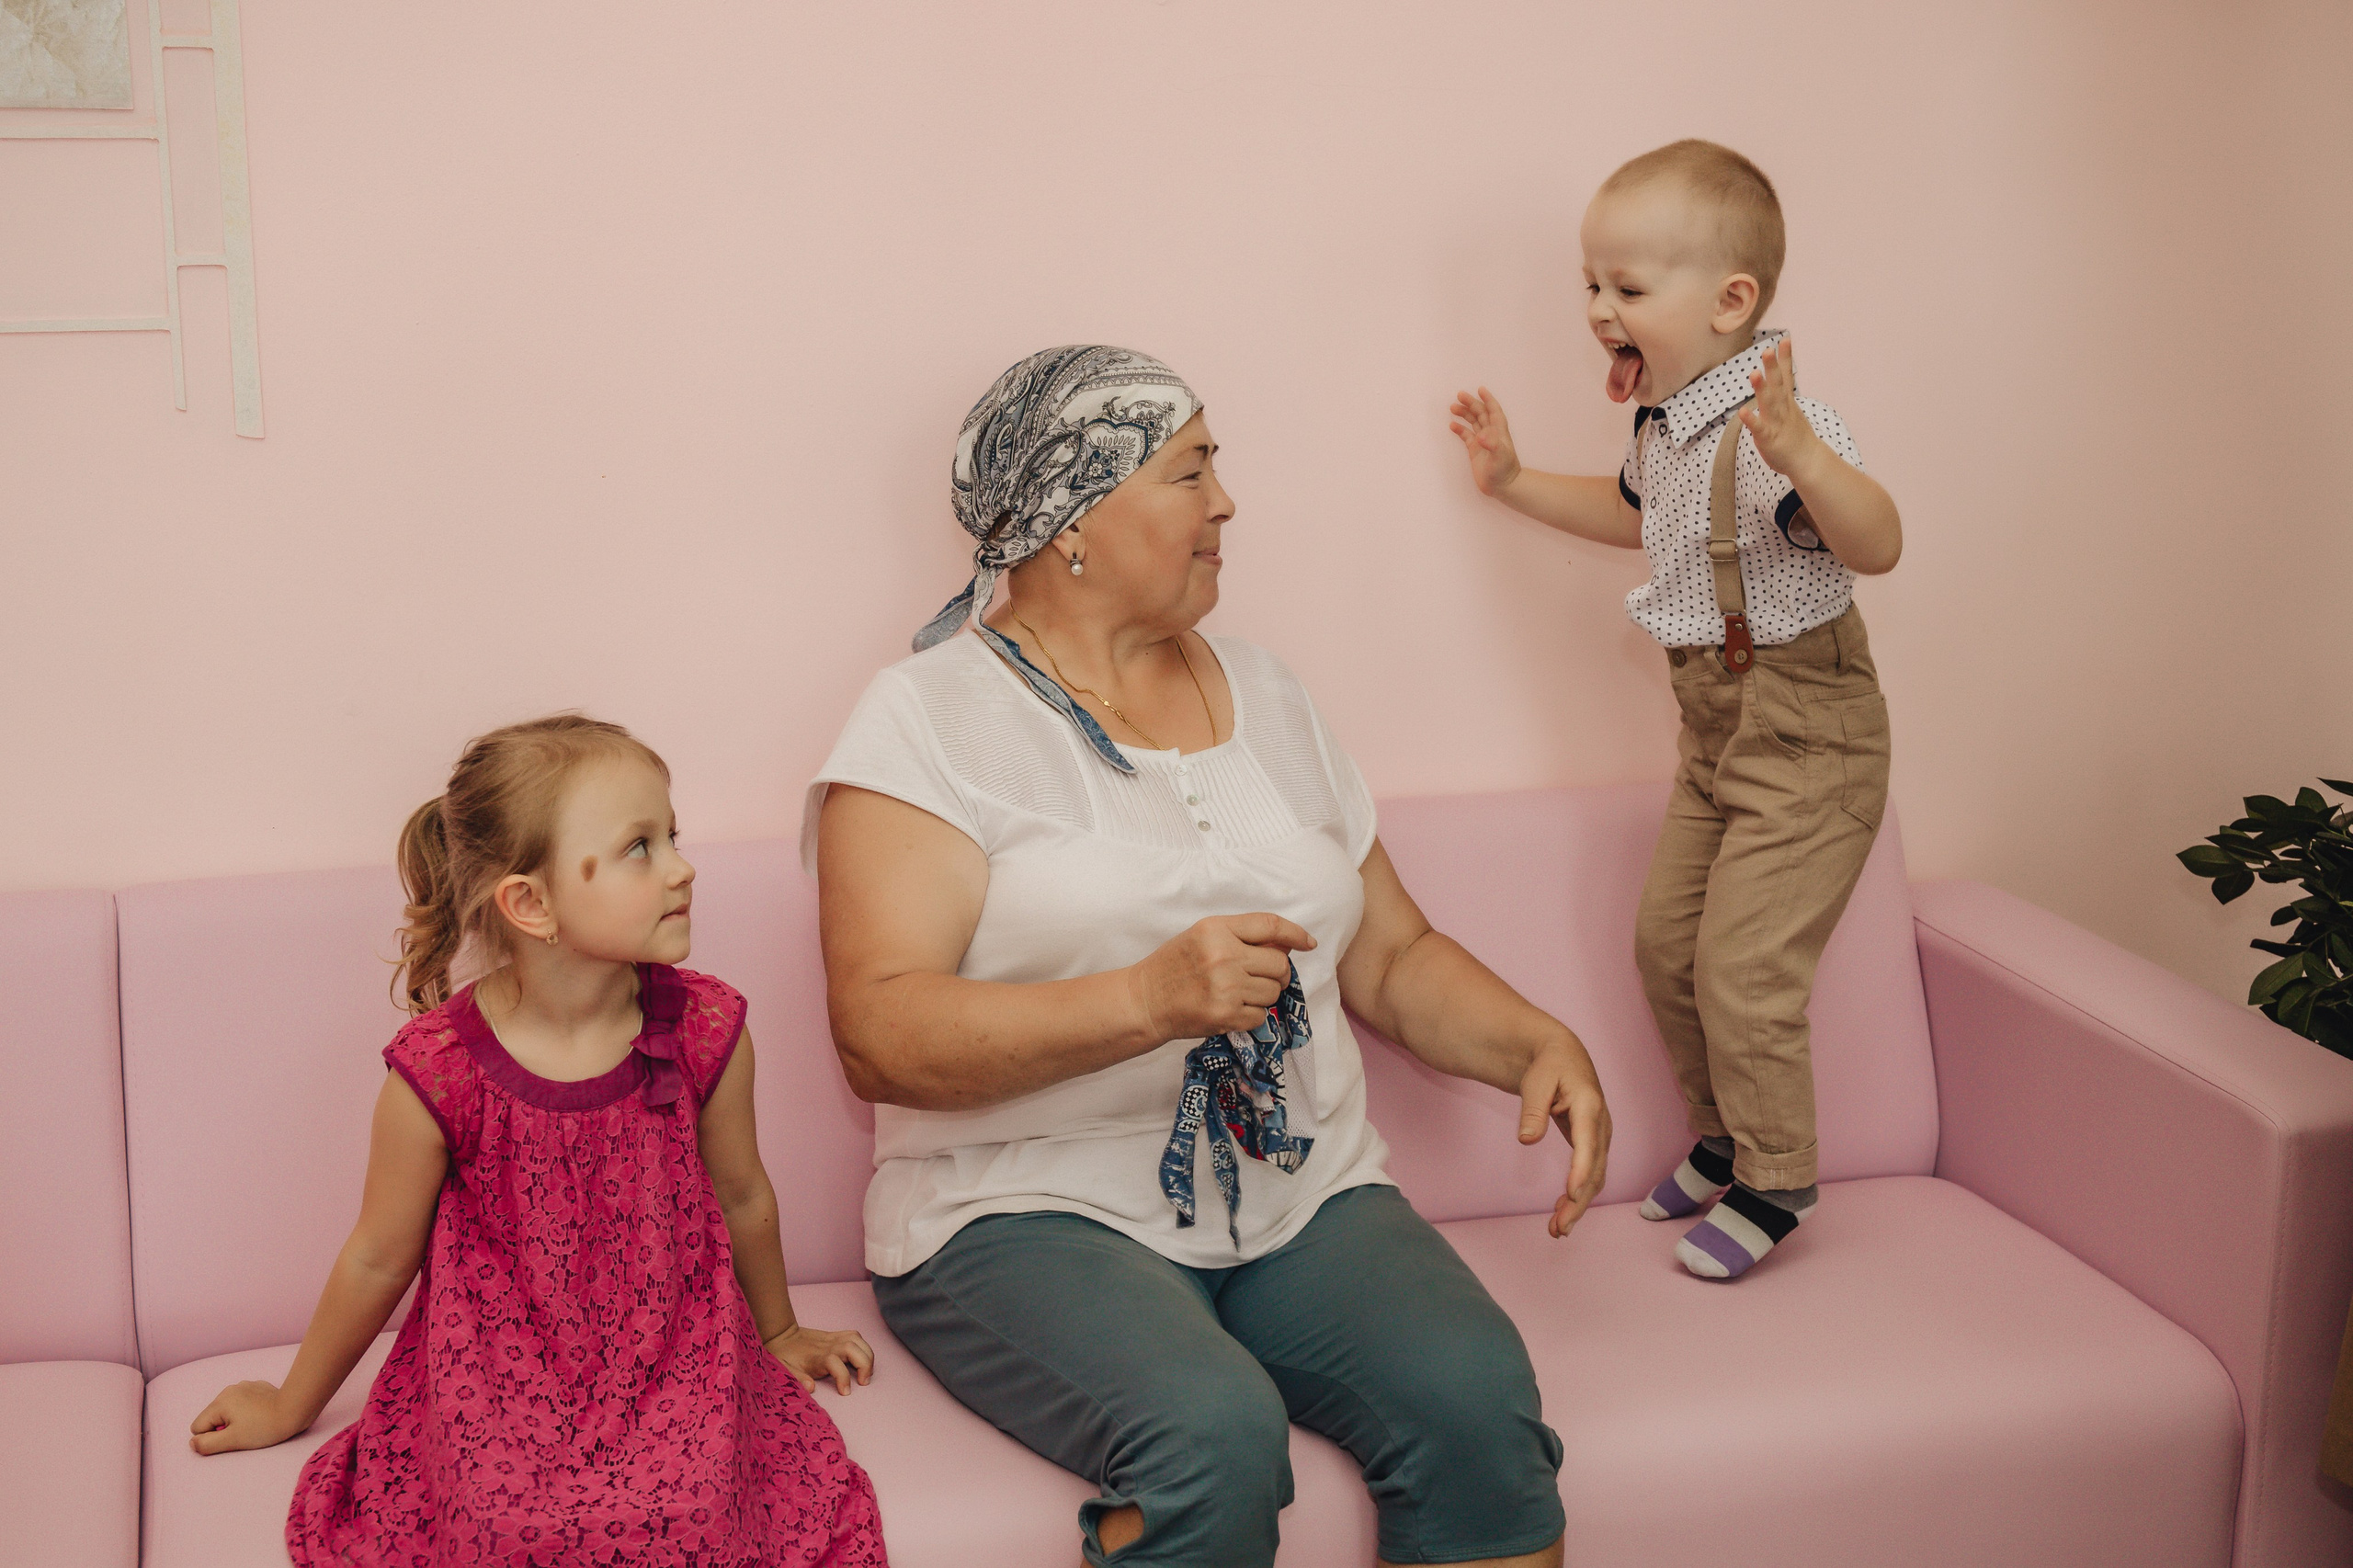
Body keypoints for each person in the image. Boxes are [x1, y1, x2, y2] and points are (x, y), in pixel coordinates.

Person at [810, 344, 1611, 1567]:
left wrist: (1535, 1043)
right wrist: (1146, 998)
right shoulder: (929, 724)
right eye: (1191, 472)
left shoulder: (1270, 694)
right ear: (1075, 517)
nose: (1227, 503)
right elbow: (880, 1029)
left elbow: (1388, 953)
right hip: (1021, 1208)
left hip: (1299, 1190)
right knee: (1212, 1434)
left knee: (1475, 1399)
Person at [188, 715, 888, 1566]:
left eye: (673, 834)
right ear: (530, 902)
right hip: (498, 1372)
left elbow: (742, 1194)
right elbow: (378, 1256)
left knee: (699, 1518)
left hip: (671, 1356)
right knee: (501, 1531)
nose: (682, 866)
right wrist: (293, 1403)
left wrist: (778, 1335)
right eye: (639, 847)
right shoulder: (439, 1073)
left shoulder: (708, 1031)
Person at [1449, 140, 1902, 1279]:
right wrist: (1509, 481)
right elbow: (1637, 513)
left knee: (1745, 969)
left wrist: (1804, 455)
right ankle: (1721, 1136)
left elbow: (1878, 541)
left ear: (1730, 300)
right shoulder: (1667, 420)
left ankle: (1779, 1174)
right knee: (1666, 947)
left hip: (1809, 731)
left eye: (1627, 289)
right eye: (1590, 286)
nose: (1599, 308)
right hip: (1715, 730)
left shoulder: (1772, 426)